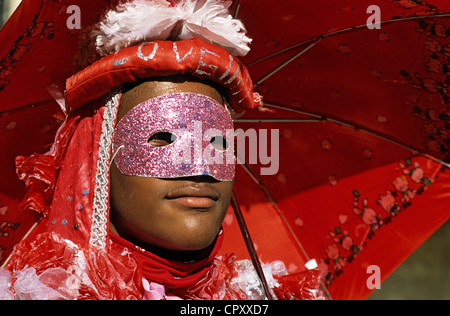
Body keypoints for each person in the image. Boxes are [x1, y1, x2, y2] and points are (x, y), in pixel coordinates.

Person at [0, 0, 322, 300]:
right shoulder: (39, 293)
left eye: (219, 142)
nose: (202, 165)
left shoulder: (258, 295)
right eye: (164, 137)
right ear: (95, 160)